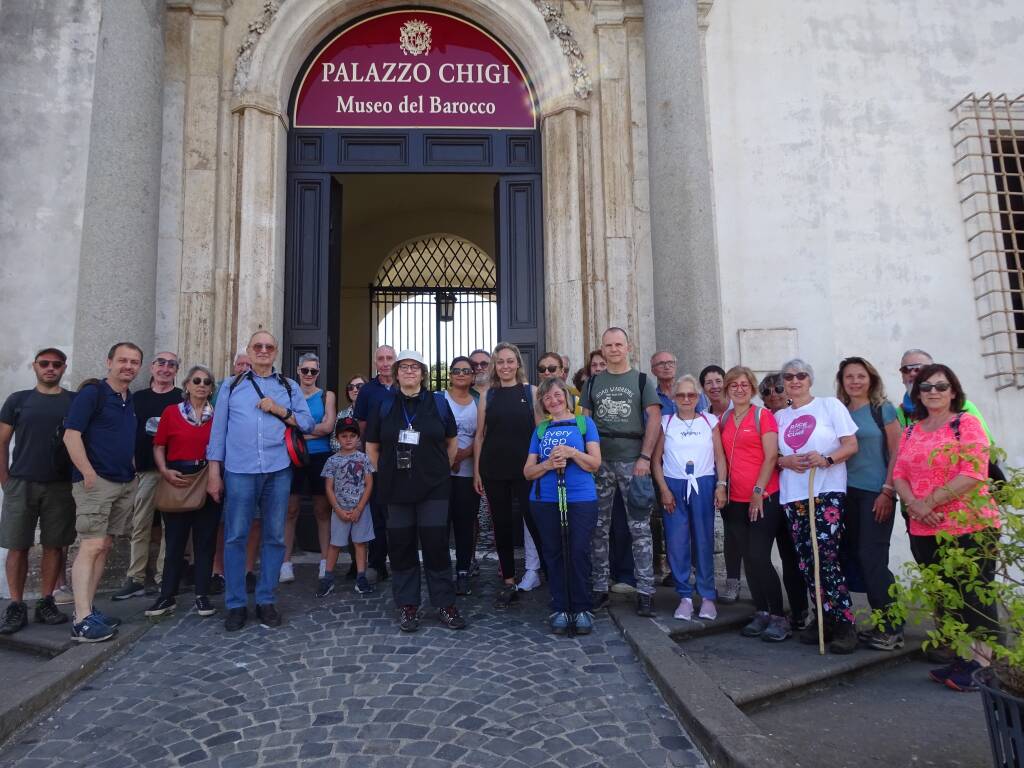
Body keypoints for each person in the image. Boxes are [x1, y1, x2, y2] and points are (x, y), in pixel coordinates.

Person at [893, 363, 1000, 691]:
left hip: (970, 525)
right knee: (945, 596)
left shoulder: (965, 424)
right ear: (918, 394)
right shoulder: (912, 429)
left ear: (953, 391)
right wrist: (914, 505)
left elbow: (973, 472)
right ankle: (961, 658)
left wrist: (929, 503)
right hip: (925, 527)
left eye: (941, 386)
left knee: (974, 595)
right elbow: (899, 472)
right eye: (926, 387)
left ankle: (983, 666)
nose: (933, 392)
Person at [206, 330, 314, 632]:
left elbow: (307, 423)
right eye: (258, 346)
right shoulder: (231, 385)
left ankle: (266, 599)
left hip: (278, 470)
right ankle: (236, 604)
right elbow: (218, 432)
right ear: (250, 352)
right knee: (236, 536)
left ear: (276, 351)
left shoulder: (288, 386)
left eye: (269, 346)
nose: (263, 350)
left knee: (275, 537)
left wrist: (279, 409)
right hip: (239, 470)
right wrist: (214, 472)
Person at [365, 350, 465, 632]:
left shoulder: (439, 404)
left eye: (415, 367)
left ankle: (445, 604)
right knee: (401, 548)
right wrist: (381, 472)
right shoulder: (383, 405)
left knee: (436, 546)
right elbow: (371, 446)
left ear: (423, 373)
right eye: (404, 367)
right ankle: (408, 606)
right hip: (396, 490)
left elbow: (452, 441)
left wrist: (438, 471)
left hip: (433, 489)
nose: (409, 371)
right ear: (396, 373)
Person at [775, 358, 860, 654]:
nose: (795, 381)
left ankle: (844, 621)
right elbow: (773, 457)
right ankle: (821, 617)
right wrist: (785, 461)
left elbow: (850, 444)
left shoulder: (829, 406)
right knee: (805, 561)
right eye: (788, 377)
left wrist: (826, 460)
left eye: (801, 376)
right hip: (793, 495)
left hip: (825, 491)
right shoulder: (780, 417)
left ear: (809, 380)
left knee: (826, 557)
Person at [63, 342, 145, 642]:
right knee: (91, 545)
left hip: (123, 481)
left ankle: (88, 609)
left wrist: (132, 468)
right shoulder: (92, 393)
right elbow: (71, 436)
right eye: (122, 360)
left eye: (134, 362)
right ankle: (81, 620)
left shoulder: (128, 398)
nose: (128, 366)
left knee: (104, 546)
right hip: (96, 483)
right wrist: (87, 473)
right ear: (108, 361)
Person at [581, 327, 660, 617]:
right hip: (600, 463)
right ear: (602, 349)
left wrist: (645, 457)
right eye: (608, 345)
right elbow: (585, 423)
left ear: (628, 347)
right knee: (598, 528)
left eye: (618, 344)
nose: (613, 349)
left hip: (633, 462)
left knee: (639, 527)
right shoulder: (592, 384)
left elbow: (654, 420)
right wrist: (588, 460)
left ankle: (645, 591)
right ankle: (600, 587)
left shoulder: (641, 381)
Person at [719, 366, 800, 641]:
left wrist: (758, 490)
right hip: (735, 500)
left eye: (744, 385)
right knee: (748, 560)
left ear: (752, 388)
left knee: (759, 556)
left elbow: (769, 457)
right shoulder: (726, 418)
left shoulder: (762, 416)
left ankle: (779, 616)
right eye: (733, 385)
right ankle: (762, 611)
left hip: (764, 496)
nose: (739, 389)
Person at [0, 348, 77, 634]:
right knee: (17, 545)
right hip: (22, 482)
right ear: (35, 366)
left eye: (56, 364)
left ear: (63, 368)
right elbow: (2, 441)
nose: (50, 368)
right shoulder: (18, 400)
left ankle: (47, 601)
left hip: (60, 484)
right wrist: (5, 480)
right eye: (44, 364)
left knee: (54, 545)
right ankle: (16, 605)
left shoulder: (73, 401)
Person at [524, 377, 602, 635]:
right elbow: (528, 471)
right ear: (543, 404)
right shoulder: (541, 430)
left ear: (567, 397)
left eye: (558, 395)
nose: (554, 400)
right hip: (545, 499)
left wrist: (572, 453)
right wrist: (547, 464)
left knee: (578, 551)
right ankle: (560, 605)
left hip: (580, 497)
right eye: (547, 398)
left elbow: (594, 463)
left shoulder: (584, 423)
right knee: (554, 552)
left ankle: (581, 606)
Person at [835, 356, 903, 650]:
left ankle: (893, 626)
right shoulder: (840, 410)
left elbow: (897, 453)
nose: (855, 382)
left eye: (860, 376)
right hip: (845, 493)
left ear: (871, 379)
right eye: (849, 377)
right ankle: (879, 622)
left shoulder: (882, 409)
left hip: (876, 493)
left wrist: (888, 491)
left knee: (873, 557)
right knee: (855, 557)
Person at [144, 366, 221, 618]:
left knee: (205, 540)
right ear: (186, 385)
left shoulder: (217, 416)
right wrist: (164, 470)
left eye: (206, 382)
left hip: (208, 477)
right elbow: (159, 445)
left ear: (211, 388)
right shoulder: (171, 413)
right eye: (196, 380)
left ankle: (202, 594)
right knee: (175, 541)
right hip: (178, 478)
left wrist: (215, 478)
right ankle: (167, 595)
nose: (201, 385)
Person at [651, 375, 728, 621]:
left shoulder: (710, 421)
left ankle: (707, 597)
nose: (686, 399)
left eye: (691, 395)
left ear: (699, 397)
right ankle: (684, 596)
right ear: (673, 398)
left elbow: (720, 457)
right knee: (677, 541)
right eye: (681, 395)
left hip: (704, 483)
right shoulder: (667, 421)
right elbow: (656, 460)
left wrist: (721, 485)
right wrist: (663, 489)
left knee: (704, 540)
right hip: (674, 485)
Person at [474, 342, 542, 608]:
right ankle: (508, 579)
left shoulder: (531, 392)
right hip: (494, 469)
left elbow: (540, 433)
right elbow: (480, 437)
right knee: (501, 525)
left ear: (517, 364)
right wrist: (477, 472)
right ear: (495, 366)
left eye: (510, 361)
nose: (505, 366)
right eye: (500, 362)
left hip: (526, 470)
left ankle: (546, 572)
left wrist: (541, 466)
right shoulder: (487, 395)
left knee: (535, 520)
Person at [113, 351, 182, 601]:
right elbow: (125, 431)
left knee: (170, 528)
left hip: (173, 472)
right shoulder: (137, 398)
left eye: (171, 365)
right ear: (151, 368)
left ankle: (165, 577)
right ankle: (136, 578)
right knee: (140, 525)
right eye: (161, 363)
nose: (165, 368)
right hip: (144, 471)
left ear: (176, 371)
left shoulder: (181, 399)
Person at [282, 353, 337, 584]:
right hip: (293, 457)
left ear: (318, 373)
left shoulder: (327, 396)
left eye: (313, 371)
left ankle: (326, 561)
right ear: (298, 370)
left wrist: (301, 430)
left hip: (319, 457)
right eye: (305, 370)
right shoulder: (288, 395)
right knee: (290, 510)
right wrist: (311, 429)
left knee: (322, 510)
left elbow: (328, 427)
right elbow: (283, 422)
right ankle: (285, 563)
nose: (309, 375)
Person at [316, 417, 375, 598]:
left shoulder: (364, 459)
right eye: (344, 436)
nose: (348, 439)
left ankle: (361, 577)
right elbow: (328, 487)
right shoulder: (332, 461)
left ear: (358, 437)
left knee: (360, 543)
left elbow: (369, 484)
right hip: (339, 509)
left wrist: (359, 508)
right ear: (338, 438)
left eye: (352, 435)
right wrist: (338, 509)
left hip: (361, 509)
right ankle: (328, 578)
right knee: (335, 544)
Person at [354, 344, 397, 582]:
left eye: (389, 358)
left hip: (401, 461)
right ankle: (378, 562)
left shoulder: (404, 386)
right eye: (381, 358)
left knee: (399, 512)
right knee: (378, 513)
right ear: (375, 362)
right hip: (375, 460)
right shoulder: (368, 391)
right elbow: (361, 425)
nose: (385, 362)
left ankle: (402, 560)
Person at [445, 357, 477, 595]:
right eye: (456, 370)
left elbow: (483, 434)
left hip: (467, 472)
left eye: (466, 370)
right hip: (441, 474)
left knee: (465, 525)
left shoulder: (479, 401)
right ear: (450, 374)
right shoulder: (438, 400)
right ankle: (442, 571)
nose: (461, 374)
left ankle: (463, 570)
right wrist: (450, 458)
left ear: (473, 375)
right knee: (440, 524)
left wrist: (461, 455)